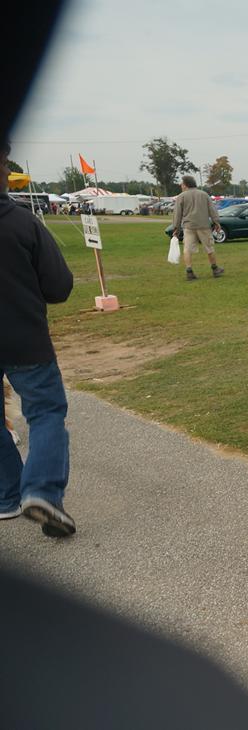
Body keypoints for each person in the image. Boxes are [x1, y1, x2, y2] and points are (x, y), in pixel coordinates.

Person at [0, 138, 77, 537]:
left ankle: (8, 493)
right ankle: (41, 491)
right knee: (46, 412)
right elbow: (59, 286)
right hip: (23, 336)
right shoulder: (23, 222)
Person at [171, 175, 224, 281]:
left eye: (182, 184)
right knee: (209, 247)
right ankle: (215, 269)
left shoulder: (181, 197)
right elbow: (212, 210)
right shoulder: (204, 194)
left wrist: (176, 228)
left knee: (187, 249)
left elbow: (177, 214)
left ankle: (189, 271)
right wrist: (216, 222)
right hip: (203, 225)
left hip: (189, 226)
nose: (181, 186)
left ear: (185, 184)